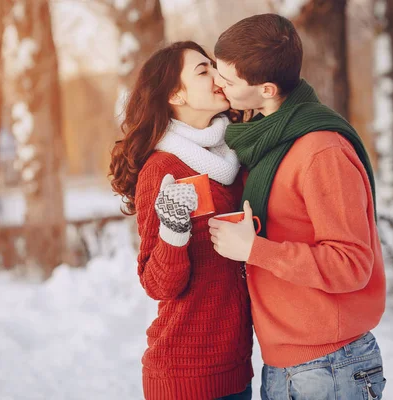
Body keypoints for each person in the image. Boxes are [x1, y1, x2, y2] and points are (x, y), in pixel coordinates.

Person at [208, 14, 388, 400]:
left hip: (330, 364)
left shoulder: (321, 151)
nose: (217, 86)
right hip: (285, 362)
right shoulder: (267, 142)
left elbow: (352, 262)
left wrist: (254, 251)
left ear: (267, 89)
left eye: (228, 80)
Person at [109, 41, 253, 400]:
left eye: (214, 67)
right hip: (183, 377)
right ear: (176, 93)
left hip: (236, 372)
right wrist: (174, 230)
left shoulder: (231, 160)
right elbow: (158, 285)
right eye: (203, 71)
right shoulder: (163, 169)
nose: (217, 77)